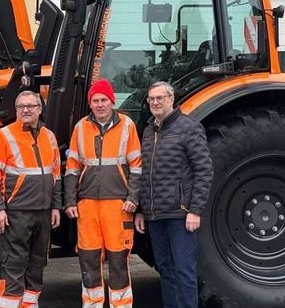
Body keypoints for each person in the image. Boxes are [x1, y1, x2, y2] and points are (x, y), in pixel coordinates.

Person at [134, 81, 213, 308]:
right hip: (154, 215)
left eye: (160, 98)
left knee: (184, 270)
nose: (155, 103)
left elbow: (204, 170)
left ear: (171, 99)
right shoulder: (149, 131)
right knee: (165, 269)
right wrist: (140, 210)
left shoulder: (189, 127)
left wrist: (195, 210)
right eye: (151, 99)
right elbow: (144, 174)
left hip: (180, 214)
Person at [64, 78, 142, 308]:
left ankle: (121, 305)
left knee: (119, 260)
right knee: (88, 259)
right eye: (95, 100)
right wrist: (70, 201)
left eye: (103, 100)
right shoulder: (80, 127)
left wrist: (132, 198)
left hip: (118, 205)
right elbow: (71, 168)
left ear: (112, 101)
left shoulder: (127, 126)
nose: (99, 105)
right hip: (87, 205)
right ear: (90, 104)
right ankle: (93, 305)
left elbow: (137, 167)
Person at [0, 90, 62, 308]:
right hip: (15, 213)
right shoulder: (4, 136)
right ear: (16, 110)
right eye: (21, 106)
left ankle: (30, 305)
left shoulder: (49, 136)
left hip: (44, 212)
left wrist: (56, 206)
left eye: (30, 106)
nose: (26, 110)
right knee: (13, 265)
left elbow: (55, 174)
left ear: (39, 109)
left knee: (38, 265)